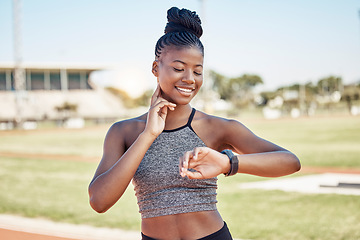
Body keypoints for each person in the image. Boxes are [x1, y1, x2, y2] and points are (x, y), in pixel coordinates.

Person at [88, 7, 301, 240]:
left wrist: (227, 162)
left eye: (197, 71)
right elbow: (99, 201)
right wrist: (148, 135)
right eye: (179, 68)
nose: (189, 79)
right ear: (155, 68)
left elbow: (290, 162)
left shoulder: (216, 127)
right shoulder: (124, 132)